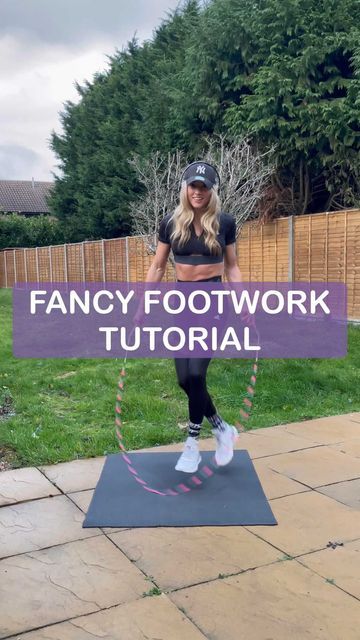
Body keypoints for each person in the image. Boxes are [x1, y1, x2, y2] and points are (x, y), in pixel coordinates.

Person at [144, 161, 243, 473]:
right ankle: (221, 428)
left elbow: (232, 267)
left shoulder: (224, 222)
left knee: (197, 375)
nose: (198, 192)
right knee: (184, 379)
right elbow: (159, 266)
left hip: (213, 303)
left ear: (211, 191)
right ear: (185, 188)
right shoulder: (170, 223)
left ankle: (191, 444)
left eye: (204, 187)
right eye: (193, 186)